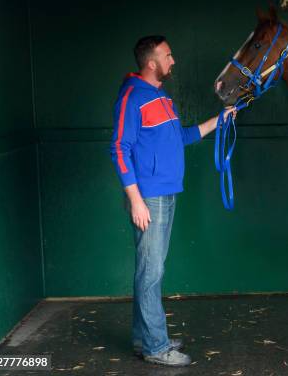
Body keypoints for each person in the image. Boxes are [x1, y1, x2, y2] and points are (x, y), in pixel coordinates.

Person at [109, 35, 235, 367]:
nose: (173, 60)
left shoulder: (161, 98)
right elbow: (119, 149)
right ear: (151, 63)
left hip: (165, 194)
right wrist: (136, 200)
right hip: (149, 197)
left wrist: (218, 121)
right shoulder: (132, 97)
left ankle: (144, 338)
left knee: (149, 271)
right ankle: (155, 347)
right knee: (151, 272)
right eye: (168, 55)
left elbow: (181, 137)